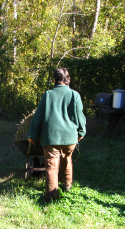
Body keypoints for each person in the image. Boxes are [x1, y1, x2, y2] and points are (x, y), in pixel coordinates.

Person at [27, 67, 86, 201]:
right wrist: (81, 132)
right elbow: (80, 116)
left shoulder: (48, 95)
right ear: (68, 80)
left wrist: (32, 134)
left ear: (55, 80)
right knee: (67, 159)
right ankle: (67, 185)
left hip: (51, 138)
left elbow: (38, 116)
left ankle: (52, 198)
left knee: (52, 167)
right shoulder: (74, 95)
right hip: (70, 138)